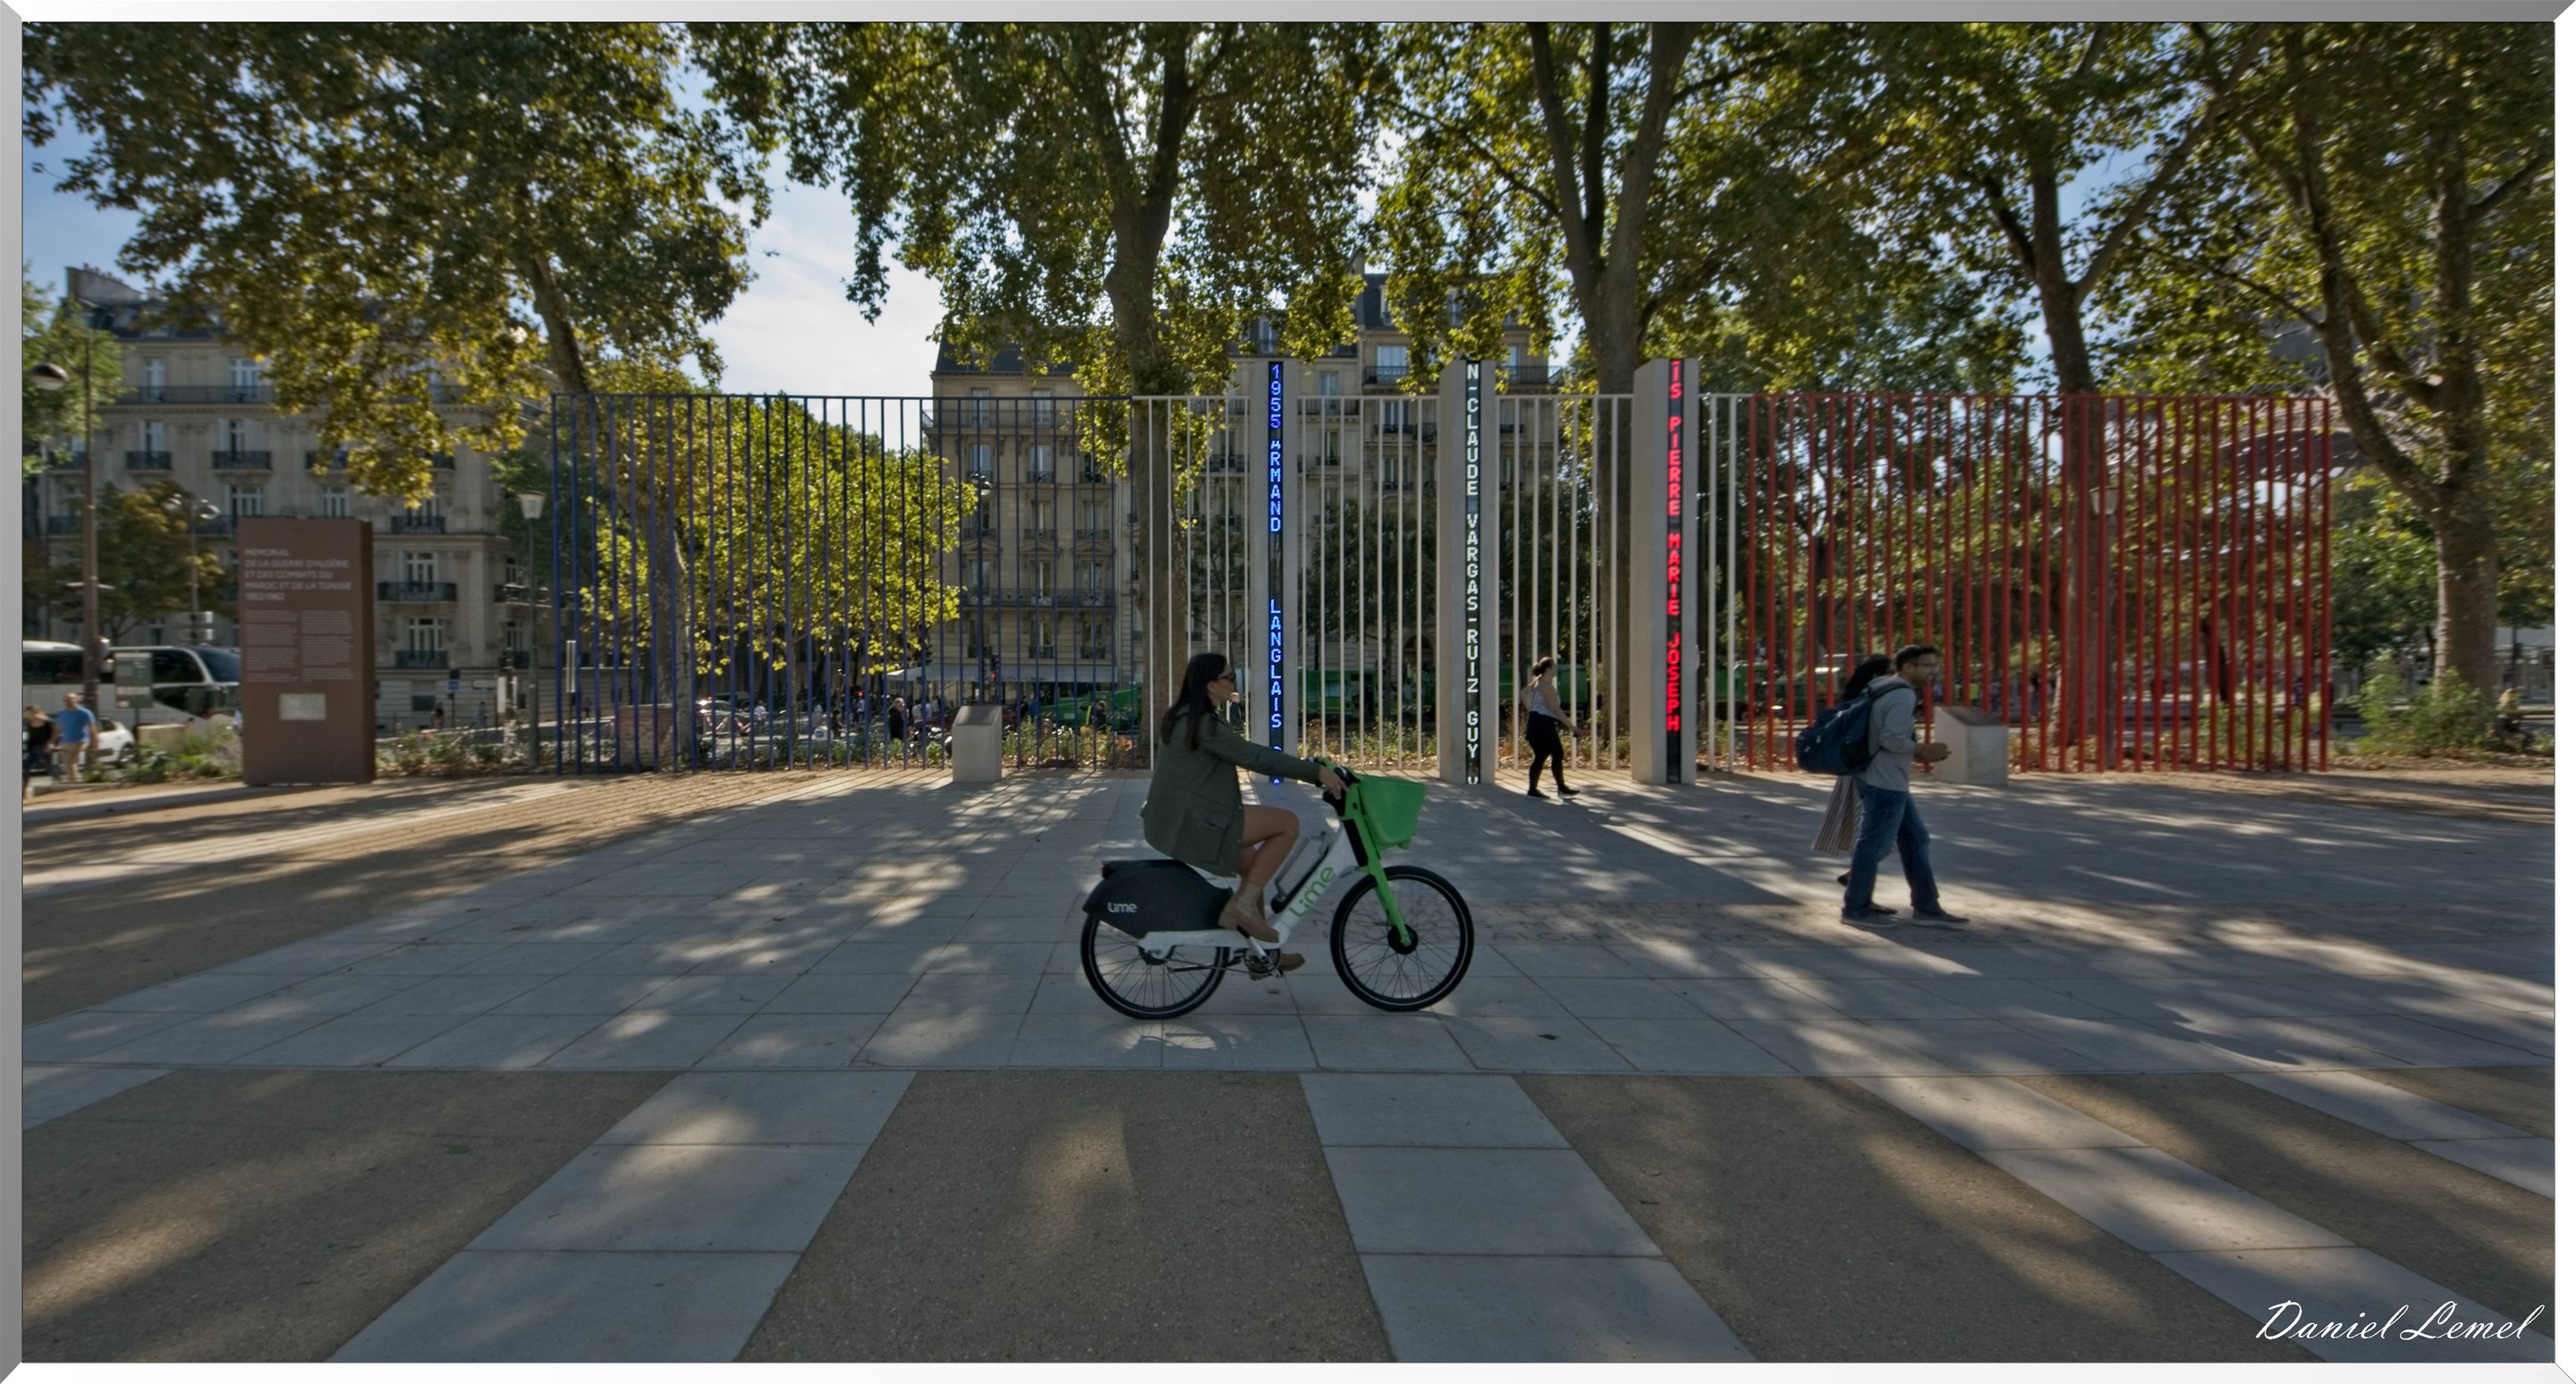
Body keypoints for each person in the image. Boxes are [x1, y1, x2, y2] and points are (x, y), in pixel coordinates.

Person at [1141, 652, 1350, 974]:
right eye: (1230, 677)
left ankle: (1263, 955)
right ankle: (1240, 907)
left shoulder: (1187, 716)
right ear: (1212, 685)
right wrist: (1314, 773)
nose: (1234, 683)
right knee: (1286, 824)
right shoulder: (1204, 725)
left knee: (1255, 867)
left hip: (1189, 816)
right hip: (1197, 821)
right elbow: (1254, 757)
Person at [1843, 644, 1970, 929]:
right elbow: (1892, 739)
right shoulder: (1901, 694)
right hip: (1885, 781)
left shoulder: (1881, 687)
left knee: (1916, 840)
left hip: (1880, 778)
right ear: (1908, 667)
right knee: (1873, 845)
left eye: (1934, 665)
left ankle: (1926, 906)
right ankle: (1856, 908)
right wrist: (1925, 749)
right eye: (1926, 666)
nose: (1932, 671)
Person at [1818, 654, 1894, 894]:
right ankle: (1859, 891)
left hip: (1856, 773)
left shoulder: (1856, 700)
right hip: (1870, 774)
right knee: (1876, 835)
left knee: (1874, 835)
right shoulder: (1872, 702)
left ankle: (1859, 886)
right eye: (1892, 672)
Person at [1521, 656, 1580, 800]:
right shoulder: (1547, 688)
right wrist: (1572, 727)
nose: (1557, 669)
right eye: (1555, 666)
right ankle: (1533, 789)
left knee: (1557, 754)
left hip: (1537, 723)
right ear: (1548, 669)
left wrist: (1532, 709)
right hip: (1544, 726)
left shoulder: (1537, 682)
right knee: (1541, 757)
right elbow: (1557, 711)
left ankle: (1561, 788)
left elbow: (1523, 693)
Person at [53, 692, 96, 785]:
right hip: (65, 741)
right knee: (66, 765)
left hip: (80, 740)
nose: (68, 702)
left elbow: (93, 729)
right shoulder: (62, 713)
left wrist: (94, 744)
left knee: (71, 763)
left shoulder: (85, 713)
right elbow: (58, 729)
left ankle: (74, 782)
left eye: (71, 699)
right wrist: (51, 741)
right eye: (66, 700)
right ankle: (74, 781)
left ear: (76, 700)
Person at [23, 704, 57, 800]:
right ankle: (25, 788)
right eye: (27, 714)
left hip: (45, 747)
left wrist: (51, 743)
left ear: (35, 712)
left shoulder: (47, 722)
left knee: (49, 767)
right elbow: (30, 737)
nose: (27, 716)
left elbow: (54, 733)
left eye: (29, 714)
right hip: (33, 748)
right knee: (26, 766)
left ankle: (57, 783)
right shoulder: (29, 723)